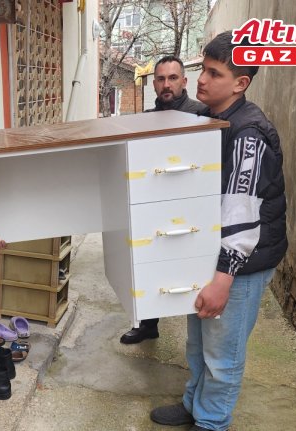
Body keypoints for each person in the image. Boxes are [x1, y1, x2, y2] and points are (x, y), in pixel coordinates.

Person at [149, 31, 287, 431]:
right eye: (203, 70)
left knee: (223, 355)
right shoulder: (214, 119)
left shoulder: (249, 133)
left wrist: (223, 279)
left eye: (214, 73)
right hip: (211, 253)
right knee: (199, 342)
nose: (202, 80)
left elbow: (242, 216)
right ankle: (194, 404)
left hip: (240, 263)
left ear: (240, 83)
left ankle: (211, 422)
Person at [121, 55, 205, 345]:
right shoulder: (146, 119)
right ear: (153, 84)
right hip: (154, 202)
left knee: (190, 268)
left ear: (184, 81)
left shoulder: (201, 115)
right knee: (149, 264)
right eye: (160, 79)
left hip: (191, 205)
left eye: (172, 78)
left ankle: (198, 334)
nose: (166, 84)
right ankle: (148, 324)